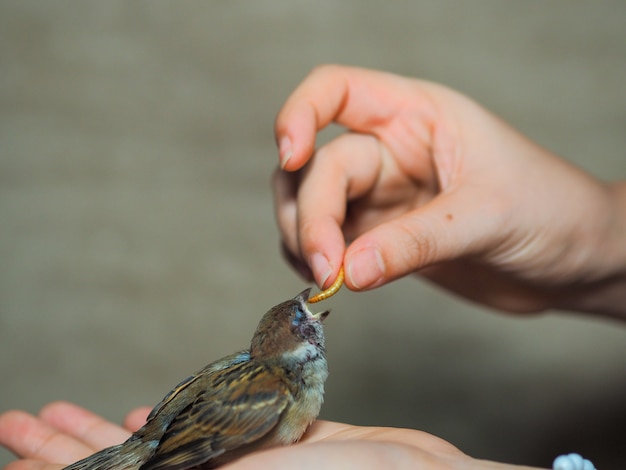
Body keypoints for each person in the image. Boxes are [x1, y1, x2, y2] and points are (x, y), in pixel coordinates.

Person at [1, 65, 623, 470]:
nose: (315, 314)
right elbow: (196, 442)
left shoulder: (263, 376)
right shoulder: (273, 389)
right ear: (301, 342)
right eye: (306, 316)